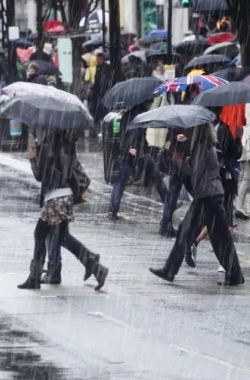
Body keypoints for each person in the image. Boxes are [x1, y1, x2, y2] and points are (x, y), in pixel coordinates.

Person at [149, 126, 244, 286]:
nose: (187, 132)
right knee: (216, 238)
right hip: (208, 196)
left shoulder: (202, 146)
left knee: (202, 235)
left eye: (190, 129)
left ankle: (170, 270)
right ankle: (235, 275)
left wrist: (179, 161)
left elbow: (195, 172)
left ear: (197, 131)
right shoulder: (204, 145)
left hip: (208, 197)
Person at [18, 130, 109, 291]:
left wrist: (33, 157)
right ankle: (94, 265)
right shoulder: (66, 140)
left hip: (55, 197)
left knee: (40, 234)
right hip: (65, 194)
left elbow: (40, 174)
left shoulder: (49, 141)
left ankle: (35, 277)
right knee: (61, 237)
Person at [108, 106, 170, 220]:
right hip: (134, 153)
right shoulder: (139, 113)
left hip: (137, 152)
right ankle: (113, 210)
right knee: (121, 181)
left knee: (154, 174)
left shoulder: (129, 113)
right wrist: (130, 147)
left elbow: (127, 132)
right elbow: (134, 133)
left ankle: (113, 210)